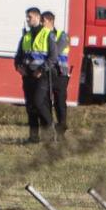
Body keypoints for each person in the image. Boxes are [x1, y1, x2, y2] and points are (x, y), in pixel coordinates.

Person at [15, 7, 53, 143]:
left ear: (37, 17)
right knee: (30, 106)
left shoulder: (47, 35)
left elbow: (53, 57)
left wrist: (42, 69)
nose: (27, 19)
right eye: (27, 17)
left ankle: (50, 131)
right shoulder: (26, 36)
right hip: (28, 76)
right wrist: (18, 67)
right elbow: (18, 56)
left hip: (41, 76)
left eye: (29, 17)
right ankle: (33, 137)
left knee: (39, 103)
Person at [43, 8, 69, 136]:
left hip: (60, 73)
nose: (42, 24)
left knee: (60, 102)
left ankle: (62, 127)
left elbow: (55, 52)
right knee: (45, 101)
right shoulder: (43, 37)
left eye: (43, 21)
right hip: (47, 73)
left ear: (50, 21)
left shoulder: (62, 35)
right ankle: (49, 128)